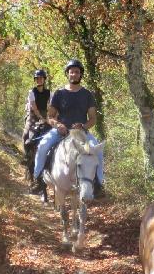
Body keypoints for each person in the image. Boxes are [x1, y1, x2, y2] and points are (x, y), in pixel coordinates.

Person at [32, 59, 105, 194]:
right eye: (71, 72)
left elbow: (93, 118)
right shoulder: (59, 93)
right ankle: (38, 179)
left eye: (77, 72)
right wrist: (58, 125)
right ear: (67, 74)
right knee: (43, 146)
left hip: (81, 133)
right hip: (61, 131)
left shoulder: (87, 94)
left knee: (98, 151)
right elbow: (50, 116)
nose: (74, 74)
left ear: (80, 74)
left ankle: (99, 184)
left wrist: (83, 126)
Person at [22, 69, 50, 143]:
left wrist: (47, 118)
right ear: (35, 80)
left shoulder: (49, 93)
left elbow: (50, 107)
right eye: (37, 78)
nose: (39, 80)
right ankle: (25, 148)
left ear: (44, 79)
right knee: (25, 134)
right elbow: (34, 108)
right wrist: (41, 118)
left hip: (45, 116)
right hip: (33, 116)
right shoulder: (31, 92)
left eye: (41, 78)